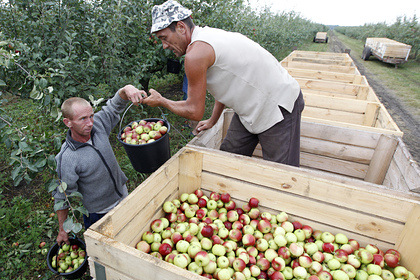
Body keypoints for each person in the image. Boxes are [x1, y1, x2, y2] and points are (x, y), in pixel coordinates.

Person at [143, 0, 304, 166]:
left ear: (181, 27)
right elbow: (225, 81)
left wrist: (162, 101)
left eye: (165, 38)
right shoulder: (208, 36)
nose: (164, 46)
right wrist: (213, 119)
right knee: (227, 159)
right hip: (250, 106)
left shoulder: (196, 54)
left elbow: (194, 111)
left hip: (278, 105)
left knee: (281, 173)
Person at [53, 85, 146, 245]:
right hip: (100, 212)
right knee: (107, 249)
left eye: (91, 116)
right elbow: (62, 196)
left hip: (123, 195)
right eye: (83, 119)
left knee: (133, 238)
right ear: (67, 122)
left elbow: (114, 106)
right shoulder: (67, 158)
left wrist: (126, 89)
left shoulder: (97, 126)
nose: (90, 123)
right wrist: (62, 229)